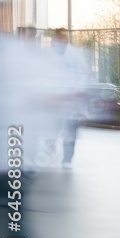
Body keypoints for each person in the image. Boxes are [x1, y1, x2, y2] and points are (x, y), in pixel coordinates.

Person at [52, 28, 91, 169]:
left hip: (72, 99)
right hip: (55, 99)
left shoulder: (75, 55)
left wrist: (78, 90)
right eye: (60, 37)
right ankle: (50, 149)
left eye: (65, 37)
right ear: (56, 39)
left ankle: (67, 159)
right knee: (53, 128)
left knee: (70, 131)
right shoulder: (50, 55)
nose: (63, 40)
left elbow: (84, 74)